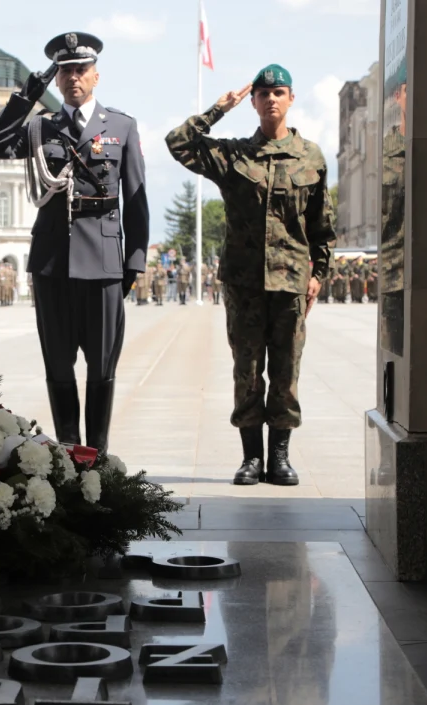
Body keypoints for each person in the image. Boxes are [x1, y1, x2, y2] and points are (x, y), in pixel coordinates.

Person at [166, 64, 336, 486]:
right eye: (263, 94)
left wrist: (320, 274)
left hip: (291, 284)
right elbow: (179, 143)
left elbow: (322, 225)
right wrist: (218, 109)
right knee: (247, 369)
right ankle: (251, 459)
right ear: (254, 102)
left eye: (279, 92)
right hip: (245, 285)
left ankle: (279, 457)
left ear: (291, 98)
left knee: (286, 371)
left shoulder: (311, 156)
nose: (271, 99)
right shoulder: (234, 155)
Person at [0, 32, 149, 453]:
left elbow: (136, 200)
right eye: (65, 71)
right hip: (53, 263)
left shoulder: (121, 127)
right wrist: (25, 98)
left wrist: (134, 264)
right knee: (58, 364)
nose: (74, 77)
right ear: (56, 80)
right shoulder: (41, 126)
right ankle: (69, 450)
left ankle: (99, 452)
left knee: (102, 367)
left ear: (96, 76)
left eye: (81, 70)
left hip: (106, 263)